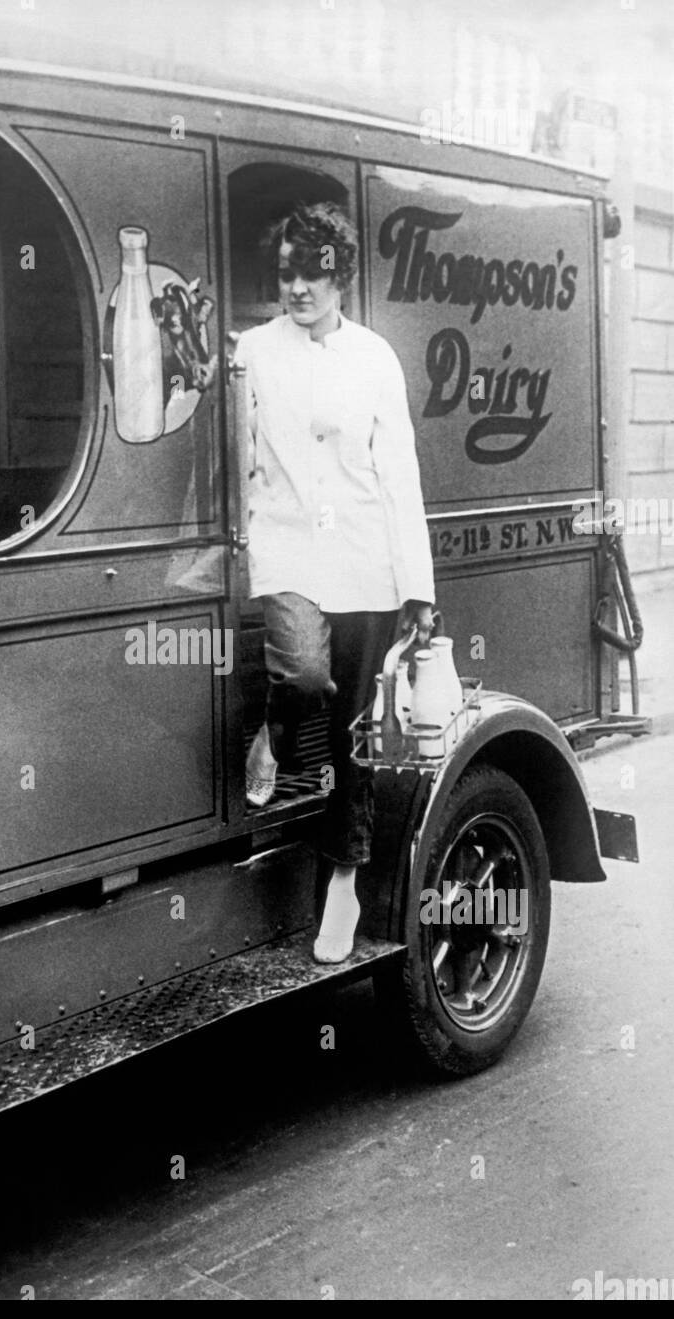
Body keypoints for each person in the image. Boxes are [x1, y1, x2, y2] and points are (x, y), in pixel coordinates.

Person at [235, 201, 435, 965]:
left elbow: (399, 475)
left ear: (339, 278)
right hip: (286, 549)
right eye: (285, 273)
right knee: (302, 672)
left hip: (365, 560)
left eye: (312, 274)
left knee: (355, 731)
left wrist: (416, 587)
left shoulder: (375, 358)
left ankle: (342, 884)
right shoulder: (250, 352)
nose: (297, 288)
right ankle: (275, 734)